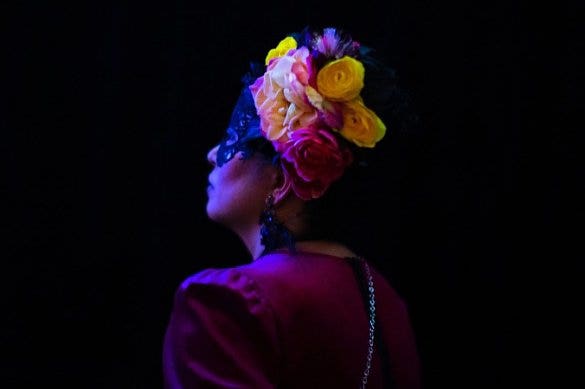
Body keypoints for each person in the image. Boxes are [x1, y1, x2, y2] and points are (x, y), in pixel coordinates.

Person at [163, 26, 422, 388]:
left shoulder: (228, 304)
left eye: (233, 139)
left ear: (284, 178)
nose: (211, 156)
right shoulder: (387, 303)